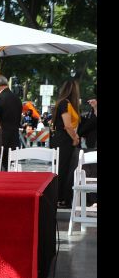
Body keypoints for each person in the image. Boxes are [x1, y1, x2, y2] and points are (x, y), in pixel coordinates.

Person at [51, 78, 81, 208]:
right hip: (64, 140)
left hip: (63, 139)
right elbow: (67, 126)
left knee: (64, 169)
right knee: (63, 169)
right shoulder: (65, 103)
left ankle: (61, 197)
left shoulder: (64, 103)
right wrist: (75, 138)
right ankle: (60, 198)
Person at [0, 75, 22, 170]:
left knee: (0, 168)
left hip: (1, 140)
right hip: (15, 139)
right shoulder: (17, 99)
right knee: (10, 168)